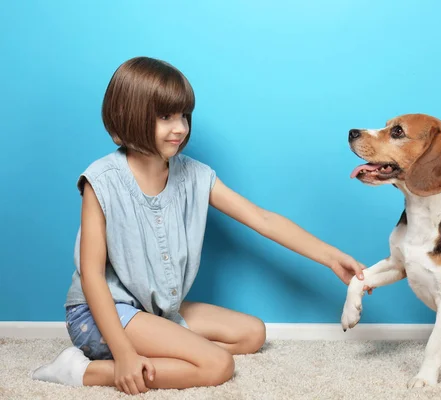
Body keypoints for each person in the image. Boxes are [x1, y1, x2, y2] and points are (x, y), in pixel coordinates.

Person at [31, 56, 368, 395]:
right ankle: (83, 371)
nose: (180, 128)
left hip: (155, 306)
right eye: (165, 117)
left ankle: (164, 347)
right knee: (218, 365)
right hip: (98, 313)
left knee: (253, 334)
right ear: (128, 114)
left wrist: (330, 257)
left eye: (183, 116)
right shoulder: (101, 181)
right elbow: (92, 277)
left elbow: (261, 219)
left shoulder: (194, 174)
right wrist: (124, 354)